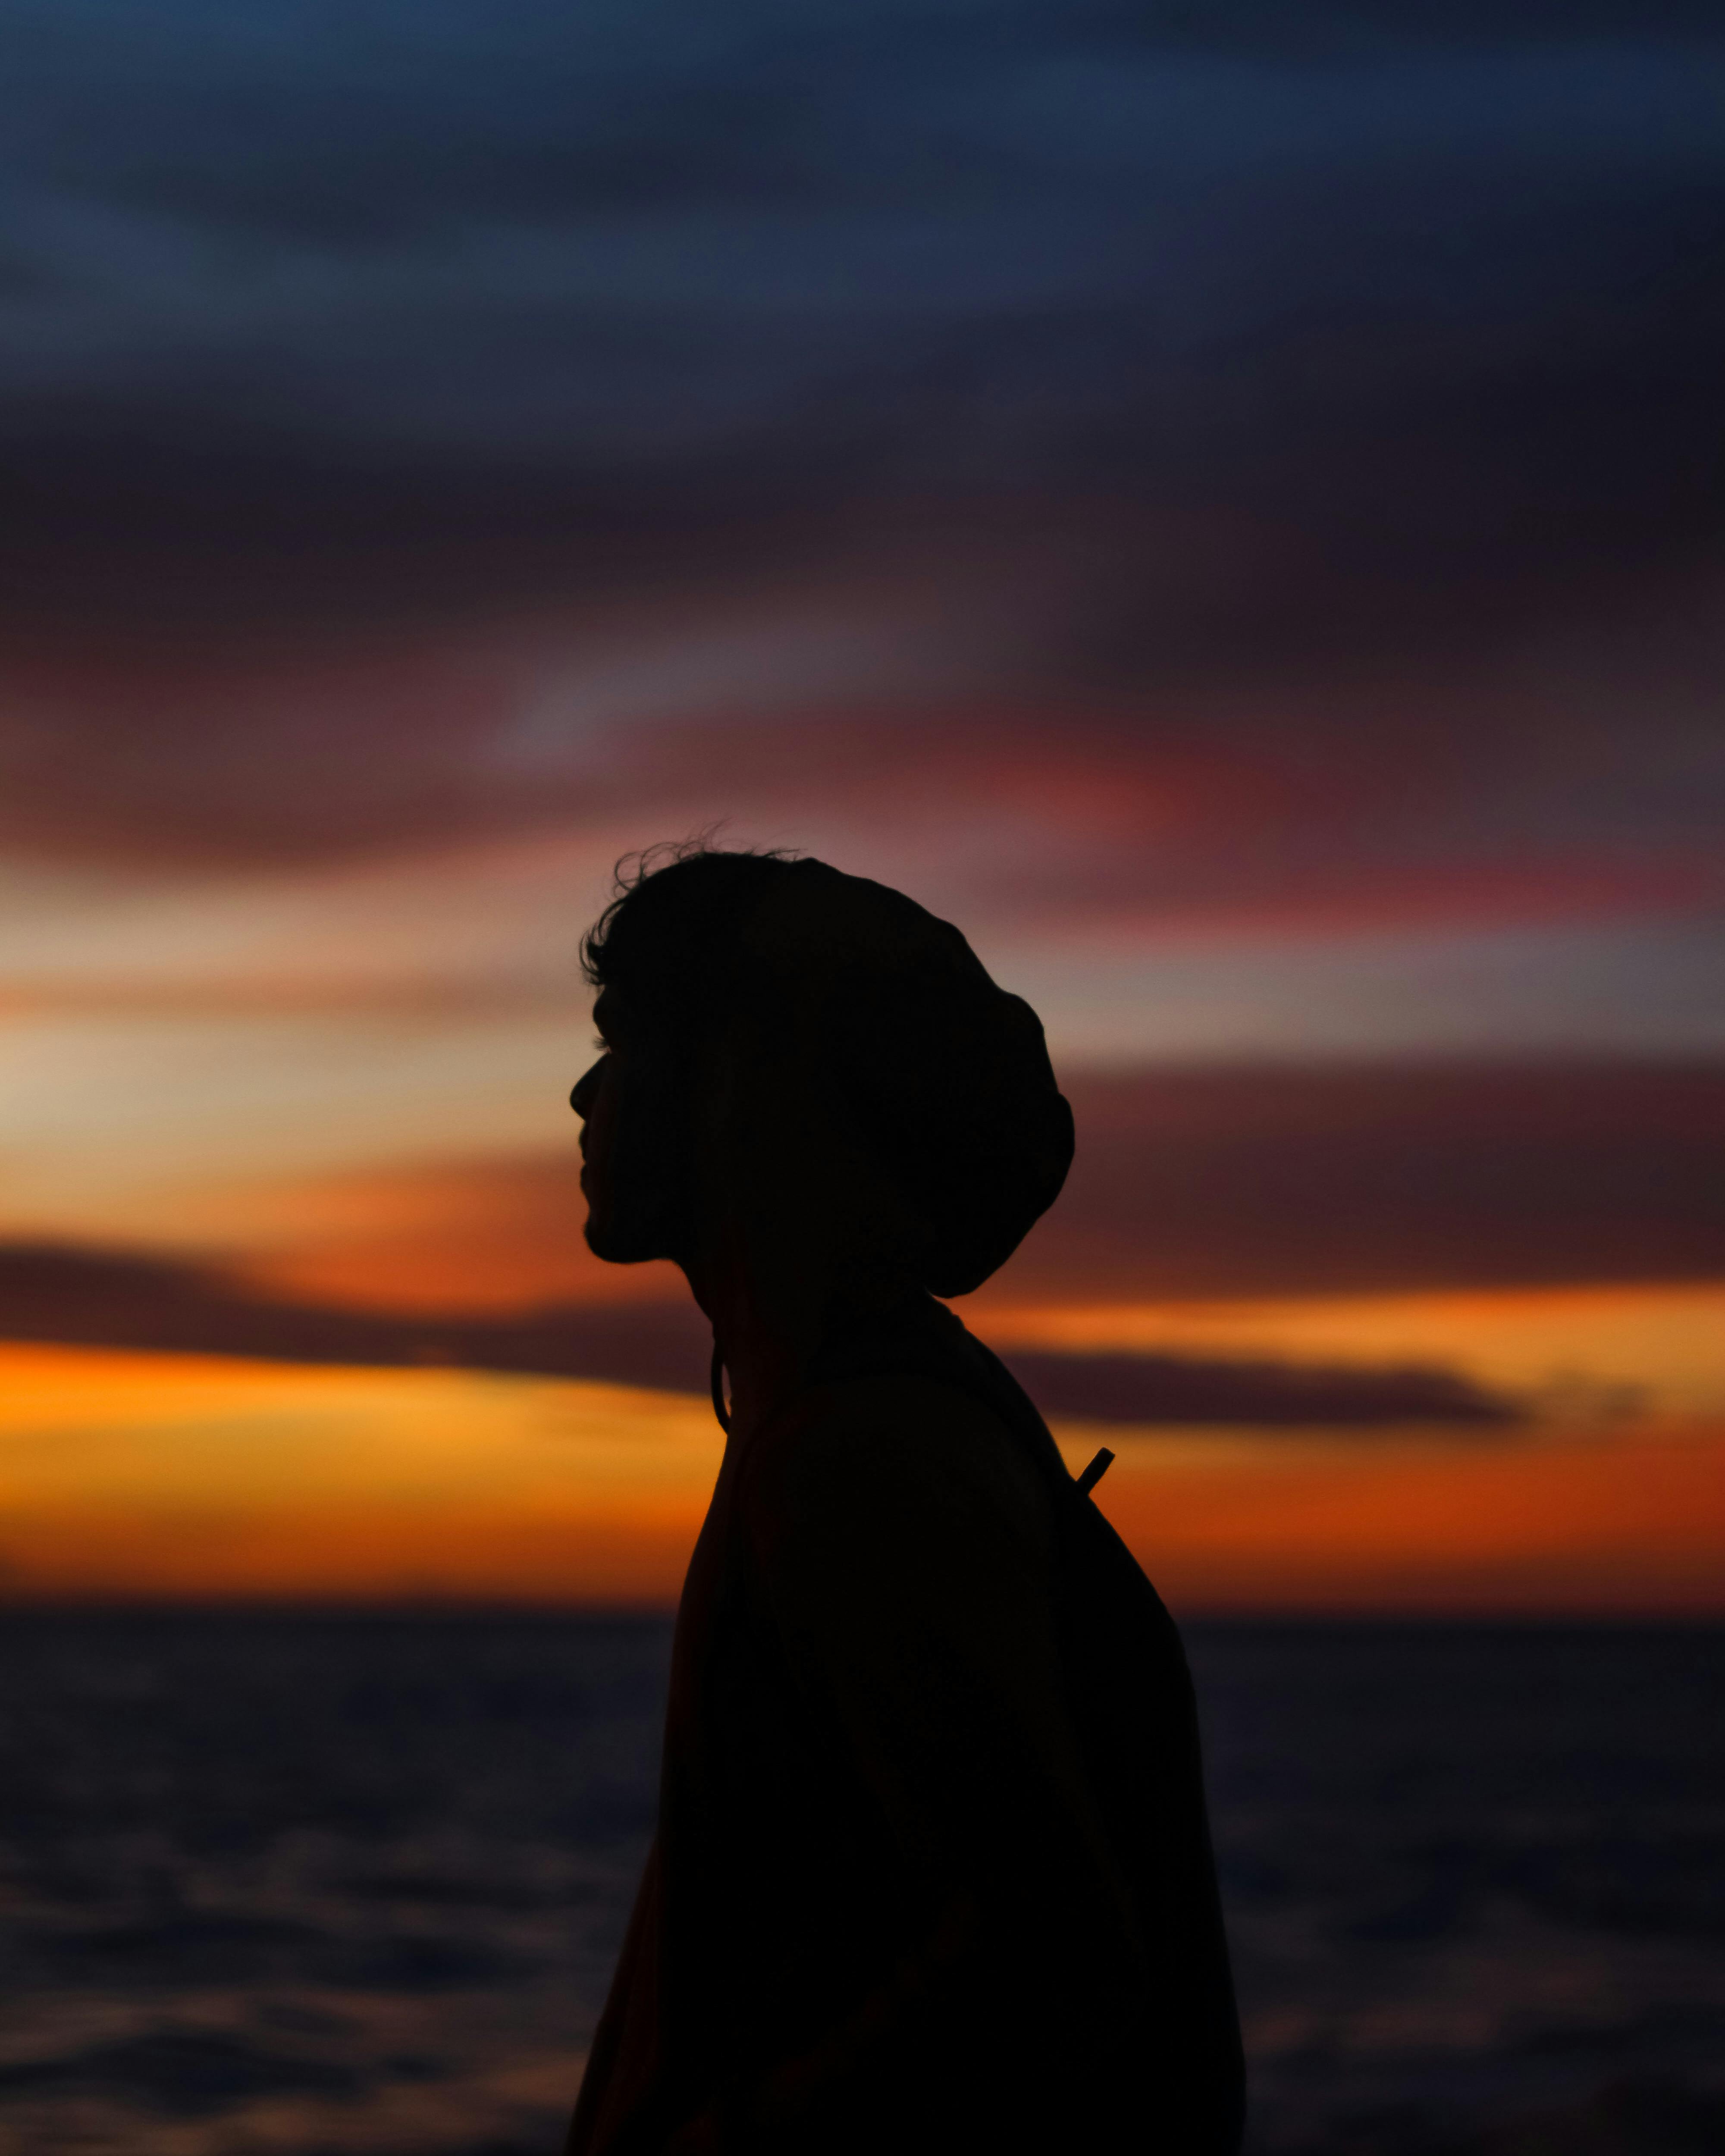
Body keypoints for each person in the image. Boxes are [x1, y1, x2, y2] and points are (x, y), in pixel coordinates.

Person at [564, 845, 1243, 2156]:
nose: (588, 1089)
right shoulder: (870, 1420)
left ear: (746, 1089)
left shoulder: (863, 1460)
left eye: (629, 1040)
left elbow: (1051, 1960)